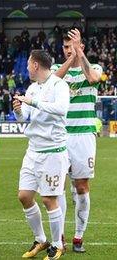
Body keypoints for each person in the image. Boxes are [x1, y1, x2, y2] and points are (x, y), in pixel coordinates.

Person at [14, 50, 69, 260]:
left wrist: (32, 102)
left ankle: (57, 245)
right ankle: (40, 239)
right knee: (24, 196)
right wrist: (19, 110)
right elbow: (24, 119)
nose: (27, 68)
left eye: (28, 64)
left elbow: (61, 109)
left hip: (52, 151)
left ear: (36, 65)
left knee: (48, 199)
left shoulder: (58, 85)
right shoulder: (32, 88)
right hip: (33, 149)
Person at [52, 28, 103, 253]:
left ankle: (78, 236)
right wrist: (72, 57)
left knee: (81, 186)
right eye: (65, 47)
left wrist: (79, 55)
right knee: (58, 187)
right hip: (60, 136)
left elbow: (93, 78)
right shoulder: (56, 69)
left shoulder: (94, 68)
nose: (68, 50)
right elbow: (52, 82)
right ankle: (59, 236)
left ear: (81, 46)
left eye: (72, 45)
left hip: (83, 136)